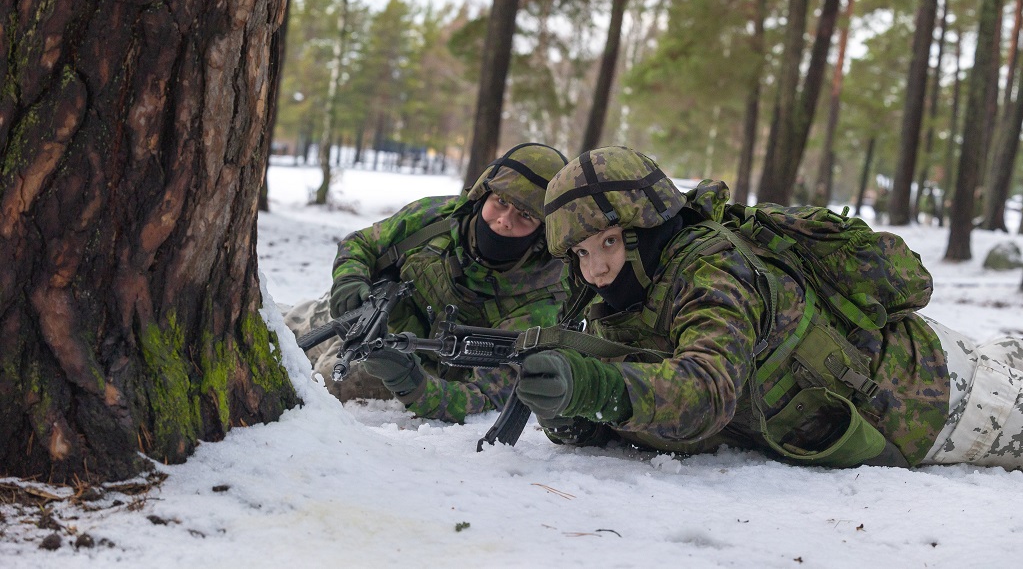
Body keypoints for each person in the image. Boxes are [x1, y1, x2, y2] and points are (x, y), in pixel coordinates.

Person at [511, 145, 1023, 470]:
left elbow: (708, 391)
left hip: (936, 400)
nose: (595, 270)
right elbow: (629, 414)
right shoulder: (631, 298)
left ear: (649, 228)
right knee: (1001, 354)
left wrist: (594, 385)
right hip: (922, 361)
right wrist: (562, 399)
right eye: (580, 253)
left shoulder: (714, 276)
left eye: (608, 243)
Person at [286, 142, 579, 423]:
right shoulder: (438, 216)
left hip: (401, 369)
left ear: (543, 234)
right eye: (500, 202)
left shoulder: (539, 300)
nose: (504, 220)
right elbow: (362, 243)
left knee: (308, 389)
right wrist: (349, 280)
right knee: (274, 334)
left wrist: (411, 383)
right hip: (357, 317)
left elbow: (486, 397)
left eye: (525, 215)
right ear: (483, 194)